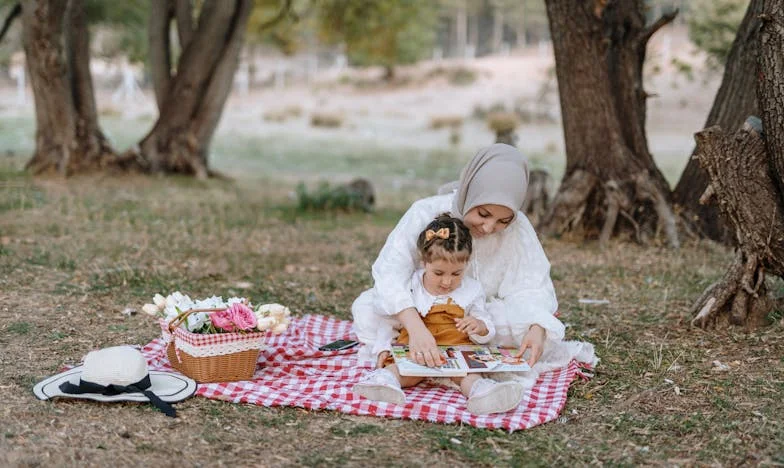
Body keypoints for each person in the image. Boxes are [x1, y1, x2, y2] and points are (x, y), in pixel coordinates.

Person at [352, 143, 596, 390]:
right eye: (483, 213)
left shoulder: (518, 227)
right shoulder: (425, 212)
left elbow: (531, 284)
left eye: (503, 220)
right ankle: (407, 358)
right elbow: (390, 273)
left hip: (472, 315)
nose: (489, 227)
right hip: (418, 310)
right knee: (367, 310)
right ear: (470, 192)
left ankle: (471, 377)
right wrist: (416, 328)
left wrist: (536, 327)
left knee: (514, 324)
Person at [352, 214, 525, 414]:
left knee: (469, 376)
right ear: (424, 261)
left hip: (455, 352)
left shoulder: (472, 289)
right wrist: (382, 347)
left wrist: (479, 326)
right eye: (439, 273)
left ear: (467, 264)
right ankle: (383, 383)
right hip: (416, 353)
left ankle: (483, 394)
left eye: (456, 274)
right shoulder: (412, 285)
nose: (447, 282)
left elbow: (485, 321)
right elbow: (391, 321)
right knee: (402, 371)